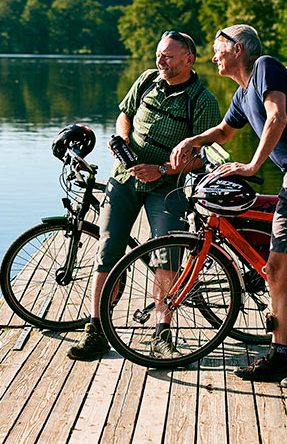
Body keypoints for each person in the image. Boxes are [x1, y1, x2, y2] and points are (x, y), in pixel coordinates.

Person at [170, 24, 287, 390]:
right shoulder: (241, 93)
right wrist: (193, 140)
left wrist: (252, 166)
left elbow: (277, 117)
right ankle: (279, 355)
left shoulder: (265, 66)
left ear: (238, 49)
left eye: (218, 49)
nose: (213, 57)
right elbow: (224, 132)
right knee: (276, 271)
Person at [66, 30, 221, 361]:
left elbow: (201, 158)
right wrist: (122, 139)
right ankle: (96, 330)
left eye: (168, 56)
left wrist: (162, 169)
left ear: (188, 60)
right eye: (158, 54)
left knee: (167, 255)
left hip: (167, 186)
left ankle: (162, 333)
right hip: (123, 178)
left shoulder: (203, 101)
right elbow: (125, 113)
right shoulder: (148, 80)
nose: (160, 60)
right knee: (108, 250)